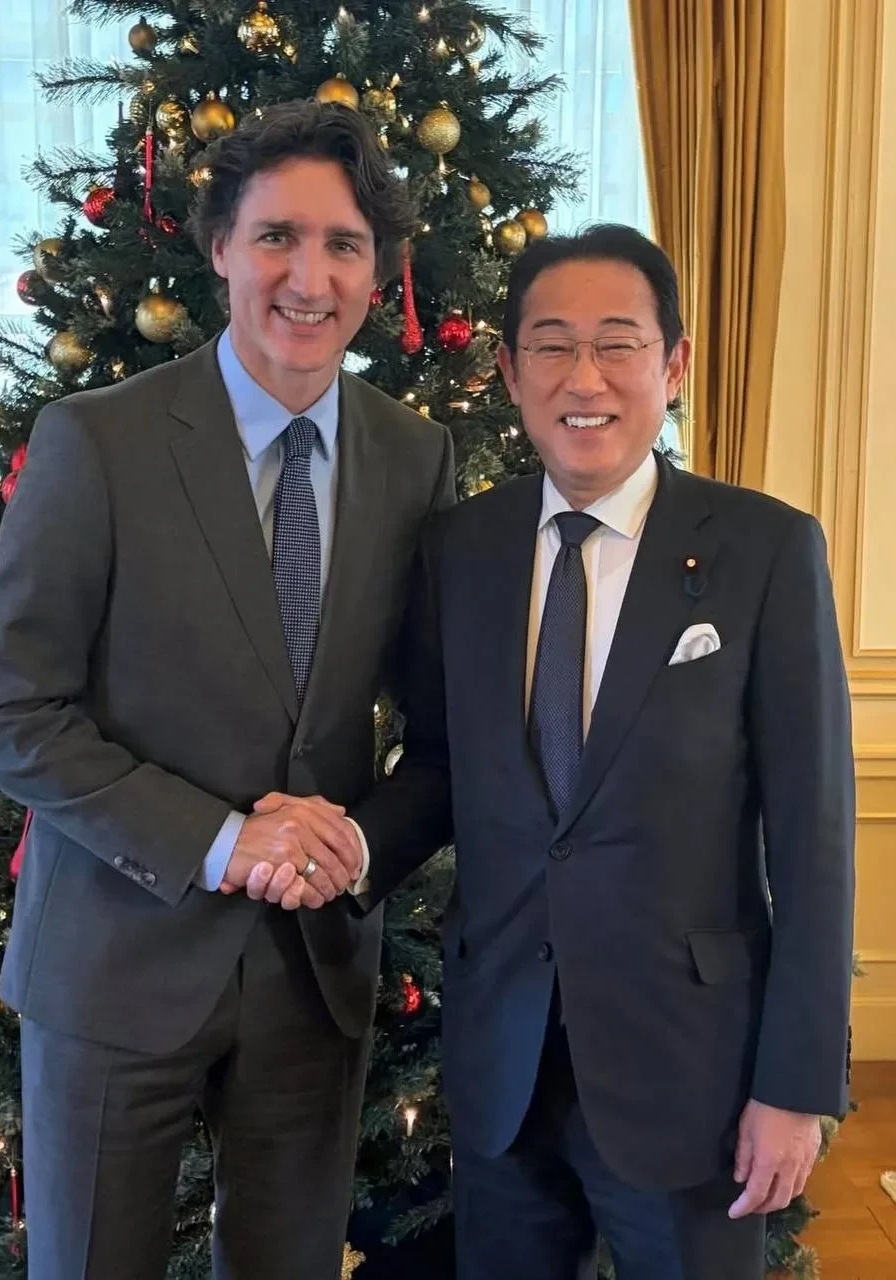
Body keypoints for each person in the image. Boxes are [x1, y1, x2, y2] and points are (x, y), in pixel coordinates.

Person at [254, 224, 855, 1278]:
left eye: (618, 344)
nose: (585, 378)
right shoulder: (461, 549)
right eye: (551, 345)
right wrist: (346, 848)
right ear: (508, 368)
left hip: (693, 1076)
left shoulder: (765, 549)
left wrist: (795, 1086)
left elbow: (814, 839)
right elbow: (443, 763)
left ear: (672, 364)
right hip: (505, 1064)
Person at [0, 100, 453, 1280]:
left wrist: (350, 848)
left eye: (342, 245)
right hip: (113, 960)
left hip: (312, 972)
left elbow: (443, 737)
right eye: (277, 235)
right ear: (220, 246)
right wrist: (223, 840)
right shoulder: (97, 440)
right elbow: (8, 708)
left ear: (375, 270)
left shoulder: (412, 456)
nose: (309, 278)